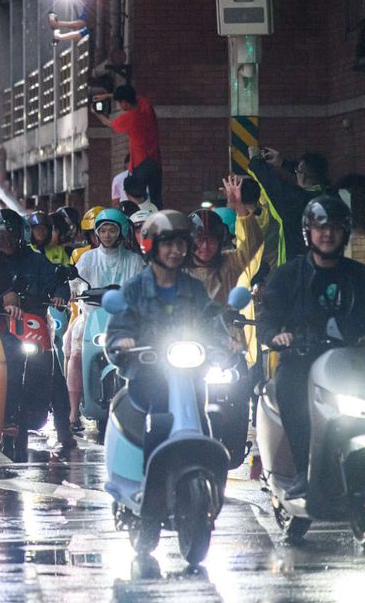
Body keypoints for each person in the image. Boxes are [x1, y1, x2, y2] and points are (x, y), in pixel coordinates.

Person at [259, 195, 365, 499]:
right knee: (290, 390)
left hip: (353, 361)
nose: (328, 234)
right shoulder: (288, 275)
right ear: (308, 232)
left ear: (345, 233)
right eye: (320, 227)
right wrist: (276, 337)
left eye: (334, 227)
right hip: (303, 360)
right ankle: (305, 470)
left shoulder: (359, 276)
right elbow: (268, 319)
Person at [105, 211, 213, 414]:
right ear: (152, 246)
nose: (175, 250)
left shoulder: (196, 288)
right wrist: (122, 341)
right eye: (167, 244)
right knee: (158, 424)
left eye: (181, 244)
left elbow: (212, 324)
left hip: (191, 376)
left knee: (205, 428)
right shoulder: (133, 289)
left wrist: (227, 344)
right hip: (147, 377)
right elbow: (116, 332)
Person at [0, 209, 75, 451]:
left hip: (34, 324)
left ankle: (64, 429)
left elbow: (57, 281)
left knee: (55, 374)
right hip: (0, 325)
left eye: (9, 234)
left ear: (20, 234)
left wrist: (59, 295)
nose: (3, 239)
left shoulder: (35, 259)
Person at [66, 208, 143, 429]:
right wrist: (73, 290)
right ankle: (73, 411)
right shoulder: (87, 258)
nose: (107, 235)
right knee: (75, 352)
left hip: (125, 317)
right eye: (103, 230)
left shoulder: (134, 260)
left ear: (121, 232)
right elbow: (75, 282)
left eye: (112, 230)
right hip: (92, 315)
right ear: (97, 233)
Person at [246, 147, 331, 265]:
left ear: (303, 177)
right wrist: (283, 163)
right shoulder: (331, 197)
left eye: (297, 172)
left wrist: (256, 161)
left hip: (298, 270)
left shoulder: (298, 201)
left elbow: (273, 186)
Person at [187, 175, 263, 302]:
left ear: (220, 240)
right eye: (200, 240)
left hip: (226, 321)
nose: (205, 246)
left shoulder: (230, 263)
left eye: (211, 240)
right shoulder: (178, 267)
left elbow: (253, 243)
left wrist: (240, 207)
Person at [93, 85, 162, 207]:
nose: (119, 106)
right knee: (156, 197)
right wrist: (109, 95)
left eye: (119, 103)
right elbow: (133, 96)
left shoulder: (130, 118)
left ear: (124, 103)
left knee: (132, 189)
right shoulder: (146, 107)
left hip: (140, 162)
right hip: (155, 160)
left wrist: (96, 113)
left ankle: (139, 215)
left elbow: (108, 123)